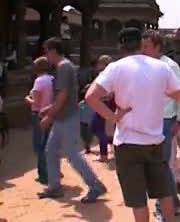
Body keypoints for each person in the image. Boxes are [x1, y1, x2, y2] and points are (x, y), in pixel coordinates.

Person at [86, 27, 180, 222]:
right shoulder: (161, 67)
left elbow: (91, 97)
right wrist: (161, 91)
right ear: (141, 43)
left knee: (138, 199)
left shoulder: (115, 68)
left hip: (127, 141)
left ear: (120, 46)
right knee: (163, 190)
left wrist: (114, 117)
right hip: (155, 140)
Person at [37, 38, 106, 203]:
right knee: (51, 150)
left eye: (47, 52)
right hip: (64, 115)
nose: (46, 56)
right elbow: (63, 97)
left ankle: (95, 185)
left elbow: (62, 96)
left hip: (66, 117)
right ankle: (54, 187)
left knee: (72, 154)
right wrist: (51, 110)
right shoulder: (65, 66)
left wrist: (49, 116)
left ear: (53, 51)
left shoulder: (63, 68)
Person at [141, 30, 180, 221]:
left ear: (157, 47)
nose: (143, 50)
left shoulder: (167, 66)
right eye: (142, 46)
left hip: (164, 122)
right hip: (156, 121)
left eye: (146, 46)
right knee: (161, 166)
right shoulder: (152, 65)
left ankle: (163, 210)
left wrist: (179, 119)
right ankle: (174, 205)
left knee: (158, 168)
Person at [24, 56, 54, 185]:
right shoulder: (53, 79)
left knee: (40, 146)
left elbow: (35, 102)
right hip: (52, 114)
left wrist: (27, 99)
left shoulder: (39, 81)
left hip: (39, 114)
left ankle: (44, 175)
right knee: (49, 144)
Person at [90, 55, 115, 162]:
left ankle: (104, 154)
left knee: (99, 128)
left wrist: (97, 96)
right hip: (105, 104)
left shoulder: (106, 75)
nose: (98, 65)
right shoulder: (110, 75)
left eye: (100, 63)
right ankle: (109, 147)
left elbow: (110, 94)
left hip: (105, 104)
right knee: (99, 128)